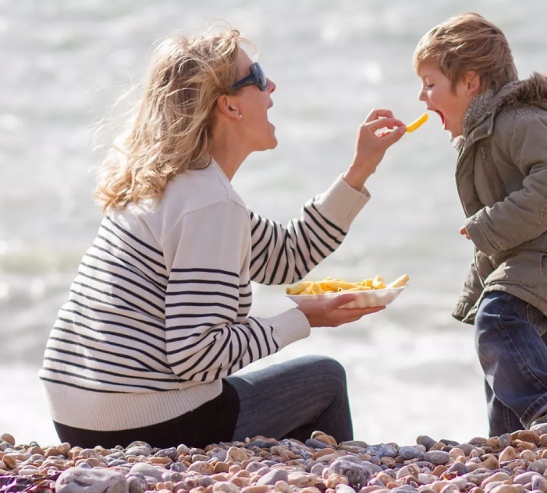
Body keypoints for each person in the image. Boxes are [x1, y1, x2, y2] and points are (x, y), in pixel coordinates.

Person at [40, 25, 406, 448]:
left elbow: (285, 256)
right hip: (142, 420)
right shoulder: (210, 203)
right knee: (325, 379)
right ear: (229, 106)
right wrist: (303, 319)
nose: (271, 86)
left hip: (76, 413)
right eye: (257, 76)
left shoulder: (170, 183)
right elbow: (196, 356)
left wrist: (360, 168)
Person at [412, 12, 547, 437]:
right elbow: (503, 237)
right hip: (543, 257)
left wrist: (487, 225)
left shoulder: (518, 122)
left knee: (497, 322)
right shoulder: (486, 134)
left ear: (470, 82)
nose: (423, 98)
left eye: (430, 84)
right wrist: (477, 279)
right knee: (508, 365)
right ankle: (523, 443)